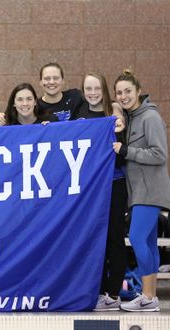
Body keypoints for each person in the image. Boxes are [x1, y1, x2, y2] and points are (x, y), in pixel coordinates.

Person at [69, 72, 128, 311]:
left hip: (114, 181)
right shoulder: (79, 111)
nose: (92, 93)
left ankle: (113, 293)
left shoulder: (113, 113)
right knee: (95, 239)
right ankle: (100, 290)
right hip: (89, 186)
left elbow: (123, 145)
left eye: (97, 88)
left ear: (104, 89)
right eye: (88, 89)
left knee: (114, 237)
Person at [113, 69, 170, 312]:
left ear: (138, 91)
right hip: (140, 191)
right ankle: (151, 297)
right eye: (119, 93)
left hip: (150, 190)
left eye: (128, 91)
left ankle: (147, 297)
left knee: (136, 238)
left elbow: (160, 154)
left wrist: (126, 151)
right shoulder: (133, 117)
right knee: (147, 241)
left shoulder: (149, 118)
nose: (124, 96)